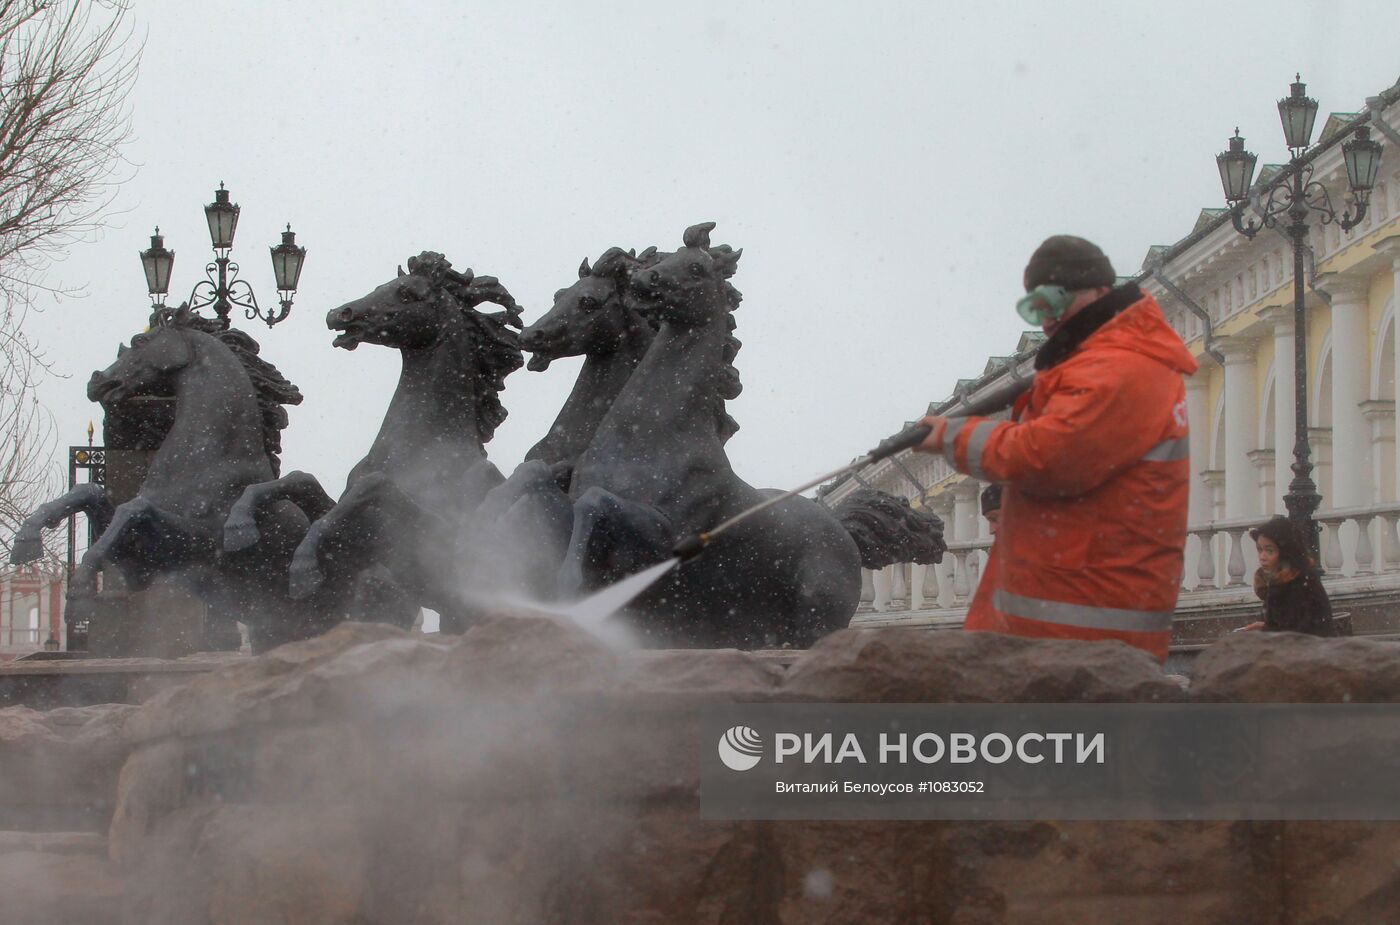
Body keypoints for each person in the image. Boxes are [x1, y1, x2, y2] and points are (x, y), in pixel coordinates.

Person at [913, 235, 1198, 662]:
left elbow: (1045, 457)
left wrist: (951, 436)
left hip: (1086, 629)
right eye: (1035, 309)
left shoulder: (1121, 367)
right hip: (1069, 618)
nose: (1046, 322)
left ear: (1098, 291)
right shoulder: (1108, 361)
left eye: (1053, 302)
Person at [1239, 515, 1335, 636]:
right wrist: (1265, 628)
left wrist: (1266, 629)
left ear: (1285, 553)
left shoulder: (1299, 583)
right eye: (1259, 549)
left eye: (1270, 551)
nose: (1262, 557)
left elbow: (1299, 633)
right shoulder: (1279, 581)